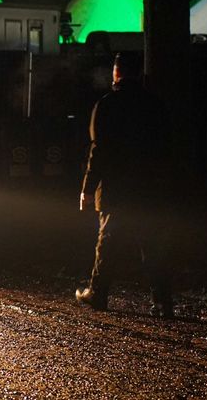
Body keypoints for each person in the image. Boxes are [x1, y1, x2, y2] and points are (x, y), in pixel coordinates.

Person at [76, 52, 174, 318]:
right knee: (152, 243)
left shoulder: (106, 105)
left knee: (107, 242)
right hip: (149, 187)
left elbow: (98, 151)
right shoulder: (155, 105)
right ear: (139, 74)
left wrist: (87, 188)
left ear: (116, 73)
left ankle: (98, 294)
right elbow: (165, 149)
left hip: (116, 187)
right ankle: (163, 301)